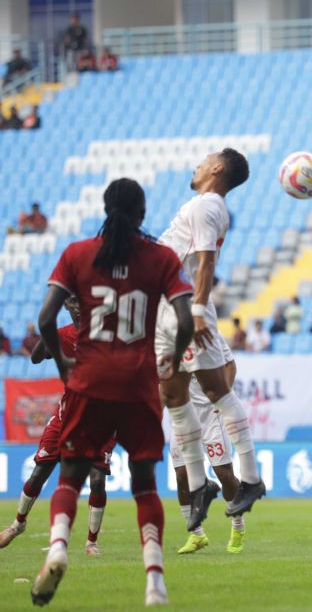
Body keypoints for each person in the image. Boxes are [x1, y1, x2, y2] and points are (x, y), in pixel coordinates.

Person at [29, 178, 194, 606]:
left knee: (71, 474)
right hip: (139, 386)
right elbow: (186, 318)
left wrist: (65, 362)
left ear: (105, 208)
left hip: (90, 382)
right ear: (142, 213)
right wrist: (173, 359)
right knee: (143, 485)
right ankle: (154, 580)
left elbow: (46, 317)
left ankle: (59, 548)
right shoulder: (161, 258)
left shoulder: (77, 254)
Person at [155, 148, 264, 532]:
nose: (196, 163)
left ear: (216, 169)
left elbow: (205, 262)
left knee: (215, 391)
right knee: (174, 396)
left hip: (183, 308)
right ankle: (201, 486)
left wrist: (197, 311)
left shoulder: (206, 206)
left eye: (203, 160)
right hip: (172, 306)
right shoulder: (206, 206)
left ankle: (249, 478)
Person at [0, 297, 113, 555]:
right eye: (72, 300)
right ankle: (18, 524)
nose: (77, 304)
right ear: (66, 307)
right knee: (39, 473)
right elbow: (36, 359)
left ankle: (91, 542)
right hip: (67, 415)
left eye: (80, 299)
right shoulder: (62, 335)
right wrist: (46, 330)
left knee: (97, 480)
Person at [171, 353, 247, 555]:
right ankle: (196, 534)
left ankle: (238, 527)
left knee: (224, 474)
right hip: (181, 418)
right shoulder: (164, 338)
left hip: (211, 417)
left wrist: (226, 395)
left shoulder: (206, 333)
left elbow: (230, 364)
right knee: (181, 476)